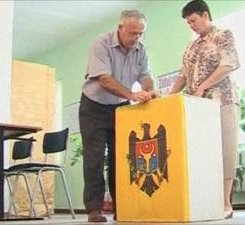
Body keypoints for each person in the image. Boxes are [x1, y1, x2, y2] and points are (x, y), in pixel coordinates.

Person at [79, 9, 158, 222]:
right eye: (133, 33)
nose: (137, 38)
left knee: (121, 159)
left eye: (141, 33)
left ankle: (121, 207)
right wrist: (132, 94)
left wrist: (149, 89)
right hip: (93, 107)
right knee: (94, 157)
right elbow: (104, 79)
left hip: (120, 106)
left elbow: (145, 75)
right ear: (120, 28)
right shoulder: (101, 44)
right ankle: (94, 209)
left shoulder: (141, 49)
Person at [169, 0, 240, 219]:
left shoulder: (223, 35)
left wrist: (203, 86)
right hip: (196, 107)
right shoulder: (190, 46)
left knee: (225, 150)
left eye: (193, 20)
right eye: (188, 23)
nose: (191, 25)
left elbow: (229, 64)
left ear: (205, 15)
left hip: (223, 100)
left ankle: (225, 204)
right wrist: (168, 98)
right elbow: (182, 75)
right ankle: (205, 201)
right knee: (202, 154)